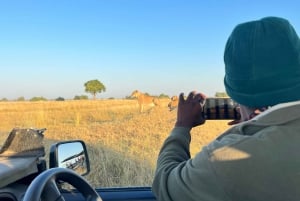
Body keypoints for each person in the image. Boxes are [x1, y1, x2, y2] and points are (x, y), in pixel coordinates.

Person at [152, 16, 300, 201]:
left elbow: (165, 185)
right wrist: (256, 125)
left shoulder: (226, 158)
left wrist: (182, 125)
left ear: (236, 94)